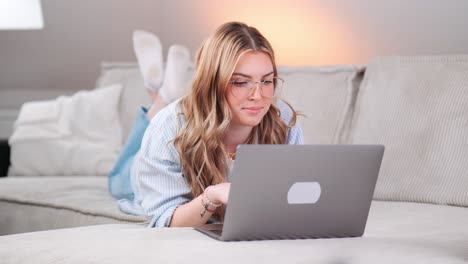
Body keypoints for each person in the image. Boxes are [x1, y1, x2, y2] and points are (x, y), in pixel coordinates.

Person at [109, 22, 304, 228]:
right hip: (143, 167)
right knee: (118, 179)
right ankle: (158, 102)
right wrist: (212, 196)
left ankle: (161, 95)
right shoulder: (168, 127)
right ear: (212, 83)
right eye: (240, 82)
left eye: (266, 81)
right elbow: (165, 222)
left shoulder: (282, 119)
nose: (258, 96)